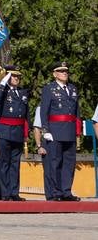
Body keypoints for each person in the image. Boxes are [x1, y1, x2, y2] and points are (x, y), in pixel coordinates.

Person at [37, 61, 81, 201]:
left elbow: (77, 112)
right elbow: (44, 112)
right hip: (55, 131)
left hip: (69, 131)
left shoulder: (73, 89)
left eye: (66, 71)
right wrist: (45, 130)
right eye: (61, 71)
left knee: (69, 163)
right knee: (55, 163)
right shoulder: (49, 89)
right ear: (55, 74)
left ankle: (66, 191)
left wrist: (78, 131)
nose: (65, 73)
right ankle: (56, 192)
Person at [0, 66, 28, 201]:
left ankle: (14, 192)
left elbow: (26, 114)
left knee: (15, 163)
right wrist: (2, 82)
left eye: (18, 76)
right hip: (5, 130)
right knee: (5, 163)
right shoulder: (3, 91)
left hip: (18, 131)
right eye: (13, 76)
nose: (17, 78)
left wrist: (25, 133)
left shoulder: (22, 92)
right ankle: (5, 193)